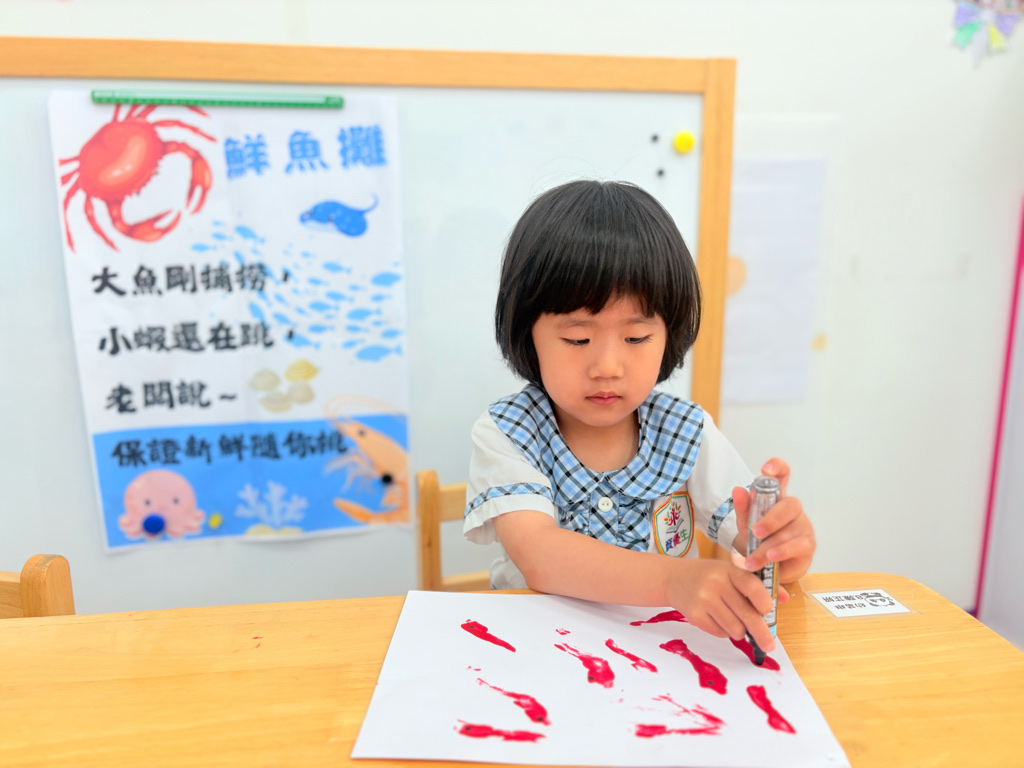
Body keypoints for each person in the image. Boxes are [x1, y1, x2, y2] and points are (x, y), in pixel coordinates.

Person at [463, 179, 816, 652]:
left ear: (668, 336)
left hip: (662, 657)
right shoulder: (508, 432)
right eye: (577, 339)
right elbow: (541, 556)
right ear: (528, 335)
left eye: (636, 338)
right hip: (536, 654)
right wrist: (675, 581)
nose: (607, 367)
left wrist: (781, 550)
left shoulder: (686, 431)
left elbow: (753, 546)